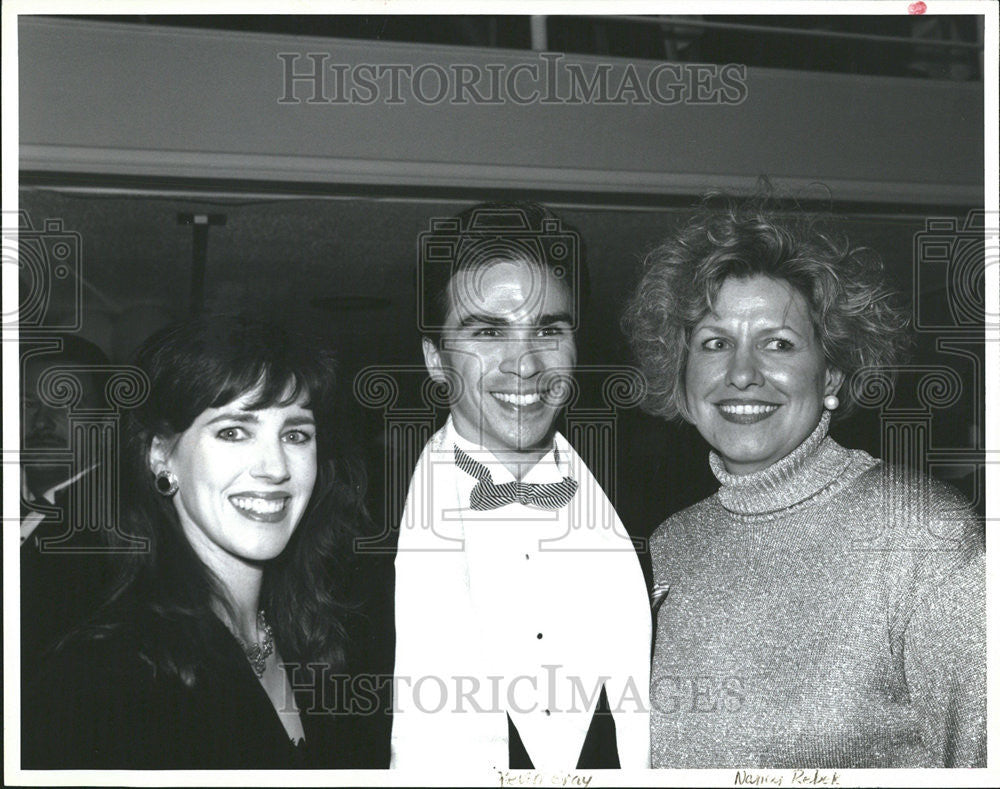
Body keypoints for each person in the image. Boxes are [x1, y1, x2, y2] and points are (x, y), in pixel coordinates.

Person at [624, 193, 986, 768]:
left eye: (779, 344)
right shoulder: (667, 547)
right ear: (682, 377)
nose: (742, 373)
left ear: (832, 373)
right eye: (715, 343)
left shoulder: (923, 539)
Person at [22, 315, 373, 768]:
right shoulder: (104, 674)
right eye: (233, 432)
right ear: (160, 454)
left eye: (295, 434)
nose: (276, 467)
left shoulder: (319, 636)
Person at [391, 203, 651, 771]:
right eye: (487, 331)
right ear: (436, 360)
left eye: (548, 329)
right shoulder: (360, 526)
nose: (525, 364)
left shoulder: (652, 500)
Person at [20, 334, 116, 671]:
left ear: (105, 425)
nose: (42, 422)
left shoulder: (116, 534)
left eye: (65, 403)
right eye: (28, 404)